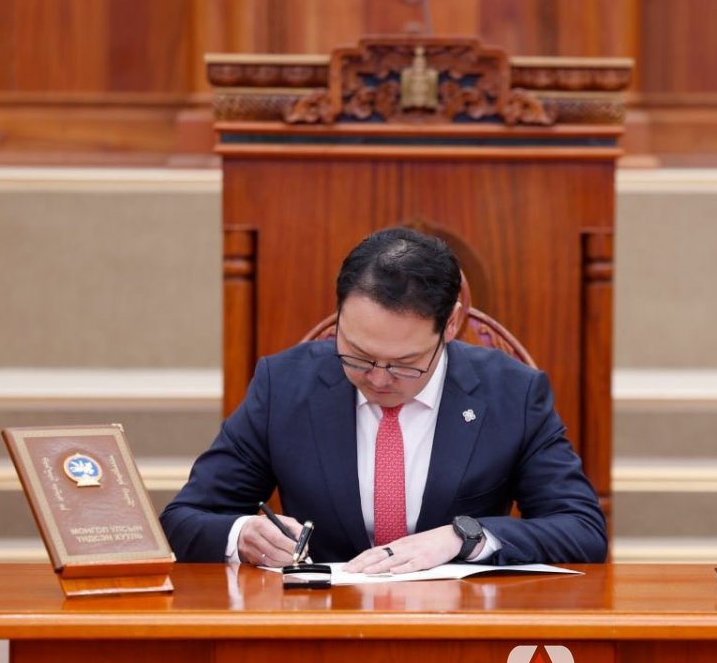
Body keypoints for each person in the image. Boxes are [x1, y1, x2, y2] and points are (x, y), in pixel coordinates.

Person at [160, 227, 607, 573]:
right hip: (322, 624)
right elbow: (183, 519)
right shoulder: (285, 385)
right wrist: (243, 534)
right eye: (356, 354)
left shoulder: (511, 392)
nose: (377, 378)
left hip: (458, 625)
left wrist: (464, 537)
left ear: (451, 325)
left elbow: (582, 530)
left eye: (404, 364)